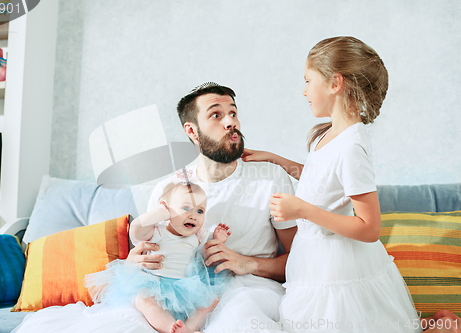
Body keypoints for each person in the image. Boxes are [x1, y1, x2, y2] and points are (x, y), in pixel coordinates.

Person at [241, 36, 451, 333]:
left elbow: (369, 227)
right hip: (313, 260)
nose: (304, 91)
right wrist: (275, 159)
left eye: (308, 80)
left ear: (334, 83)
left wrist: (301, 209)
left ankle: (444, 324)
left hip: (337, 268)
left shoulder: (352, 146)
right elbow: (323, 180)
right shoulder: (328, 135)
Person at [129, 82, 298, 332]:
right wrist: (134, 263)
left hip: (250, 291)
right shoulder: (169, 189)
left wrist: (247, 263)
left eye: (233, 113)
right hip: (181, 294)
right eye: (216, 115)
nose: (231, 122)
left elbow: (301, 261)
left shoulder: (270, 178)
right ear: (192, 131)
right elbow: (149, 252)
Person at [84, 180, 231, 333]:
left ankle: (188, 328)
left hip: (185, 289)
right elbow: (136, 229)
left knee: (211, 300)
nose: (193, 216)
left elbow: (202, 258)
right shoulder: (157, 232)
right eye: (186, 208)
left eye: (199, 211)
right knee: (143, 300)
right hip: (155, 285)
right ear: (166, 209)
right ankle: (169, 328)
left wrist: (216, 241)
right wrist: (159, 213)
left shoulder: (197, 237)